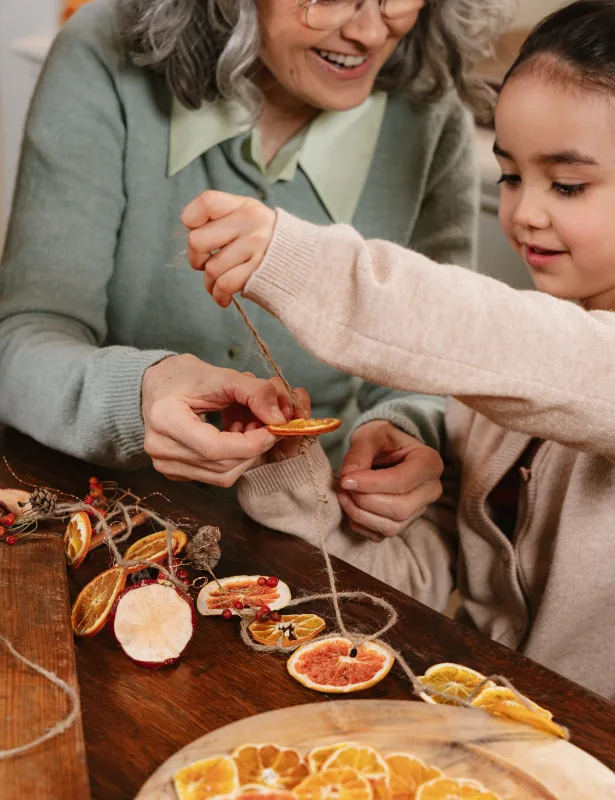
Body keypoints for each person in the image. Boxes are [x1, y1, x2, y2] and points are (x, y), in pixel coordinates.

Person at [183, 0, 615, 698]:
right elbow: (418, 583)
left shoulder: (523, 357)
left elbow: (516, 343)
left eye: (567, 185)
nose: (524, 212)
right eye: (509, 175)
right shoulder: (493, 394)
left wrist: (303, 263)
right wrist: (288, 473)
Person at [0, 0, 514, 539]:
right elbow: (20, 343)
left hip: (302, 533)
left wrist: (405, 429)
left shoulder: (433, 116)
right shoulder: (103, 51)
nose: (368, 31)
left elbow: (431, 372)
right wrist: (138, 396)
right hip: (92, 516)